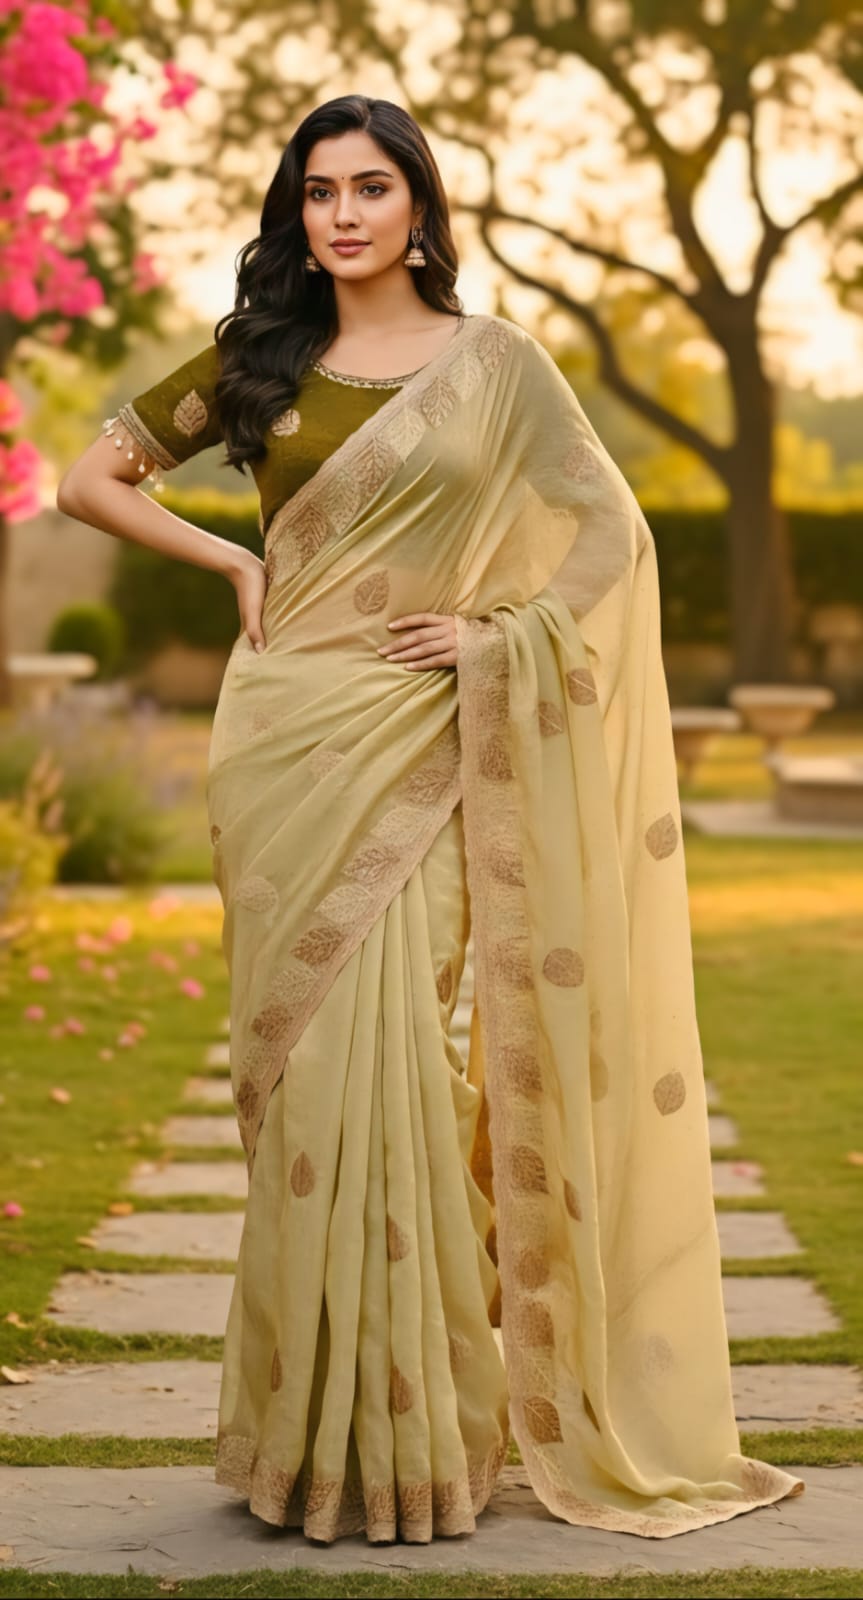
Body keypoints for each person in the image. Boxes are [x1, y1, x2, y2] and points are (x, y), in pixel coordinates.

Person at [56, 92, 804, 1546]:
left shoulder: (496, 365)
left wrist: (495, 634)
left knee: (406, 1053)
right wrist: (231, 563)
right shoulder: (257, 360)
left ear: (418, 207)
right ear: (298, 212)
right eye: (318, 191)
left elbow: (610, 531)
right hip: (285, 740)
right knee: (308, 1080)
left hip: (424, 739)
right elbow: (92, 480)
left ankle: (417, 1438)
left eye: (369, 189)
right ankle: (317, 1440)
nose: (341, 215)